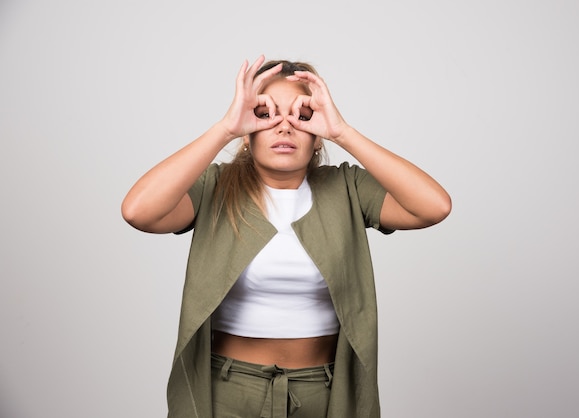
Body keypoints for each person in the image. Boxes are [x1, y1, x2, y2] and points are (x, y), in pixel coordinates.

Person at [121, 55, 451, 418]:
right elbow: (139, 211)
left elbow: (433, 206)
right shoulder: (215, 186)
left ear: (317, 137)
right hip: (227, 390)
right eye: (265, 114)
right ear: (248, 133)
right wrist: (225, 129)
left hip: (323, 392)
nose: (284, 127)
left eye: (302, 116)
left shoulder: (346, 187)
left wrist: (344, 132)